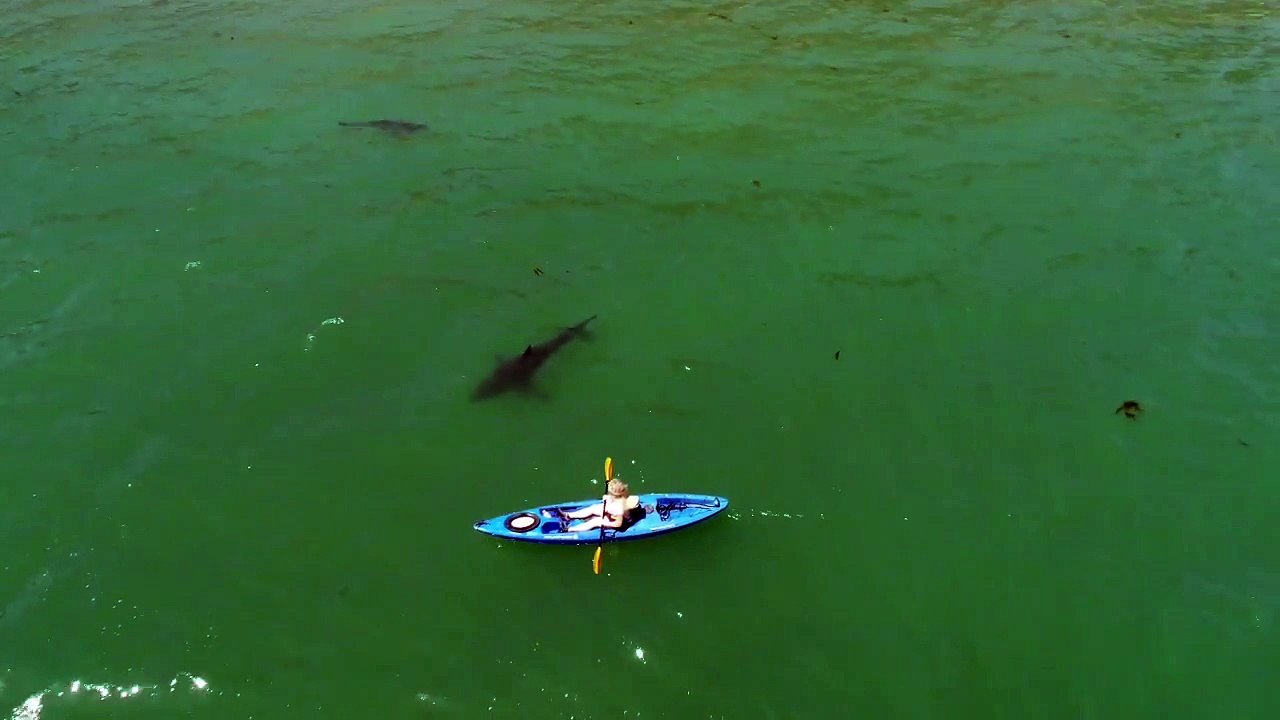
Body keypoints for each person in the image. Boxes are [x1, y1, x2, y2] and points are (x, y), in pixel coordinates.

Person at [562, 477, 640, 533]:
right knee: (593, 508)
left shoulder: (619, 509)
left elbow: (618, 524)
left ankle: (569, 529)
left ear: (615, 495)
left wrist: (603, 522)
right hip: (613, 513)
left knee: (595, 521)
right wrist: (608, 499)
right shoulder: (619, 497)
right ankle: (568, 515)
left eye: (610, 493)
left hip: (621, 523)